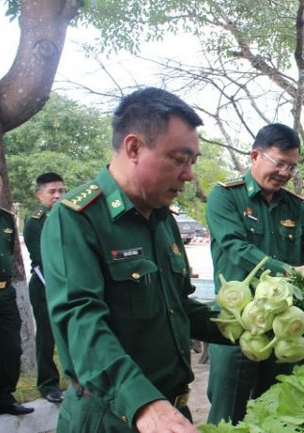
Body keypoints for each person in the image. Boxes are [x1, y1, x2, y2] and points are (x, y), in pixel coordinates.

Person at [42, 87, 230, 433]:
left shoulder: (163, 220)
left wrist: (240, 325)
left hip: (170, 413)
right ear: (133, 147)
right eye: (179, 158)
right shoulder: (77, 218)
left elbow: (178, 308)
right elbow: (80, 321)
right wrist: (143, 403)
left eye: (193, 161)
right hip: (111, 416)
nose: (189, 174)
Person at [205, 123, 304, 424]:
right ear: (255, 155)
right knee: (228, 415)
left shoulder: (295, 206)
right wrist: (288, 271)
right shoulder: (225, 197)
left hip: (283, 327)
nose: (285, 173)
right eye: (279, 163)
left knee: (276, 410)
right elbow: (235, 247)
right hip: (238, 326)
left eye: (291, 167)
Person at [23, 172, 66, 404]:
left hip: (70, 285)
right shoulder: (35, 223)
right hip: (45, 287)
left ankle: (78, 378)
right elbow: (42, 261)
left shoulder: (70, 217)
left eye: (61, 190)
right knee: (47, 338)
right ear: (40, 195)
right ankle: (48, 384)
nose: (58, 195)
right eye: (52, 192)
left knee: (73, 334)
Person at [0, 167, 34, 416]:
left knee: (12, 348)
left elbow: (9, 252)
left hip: (4, 294)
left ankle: (2, 397)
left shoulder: (7, 219)